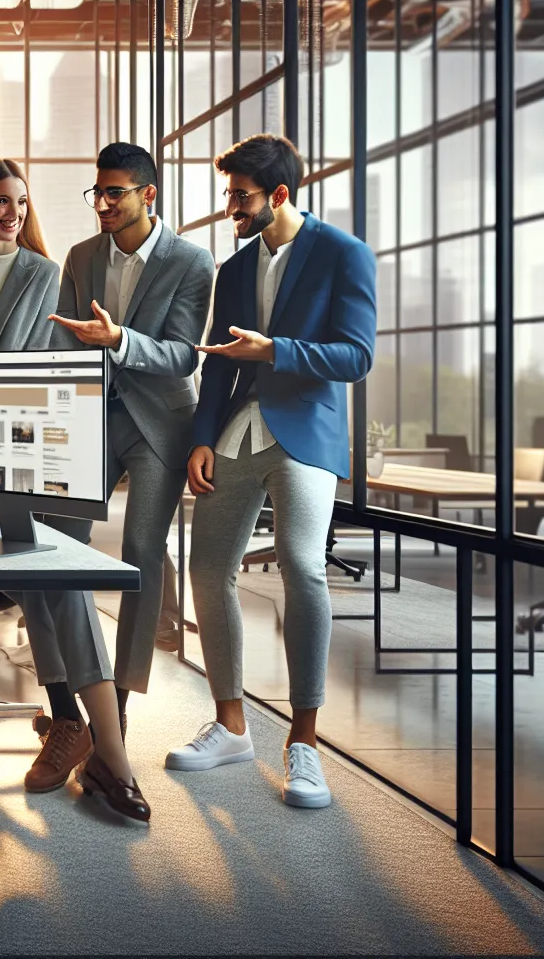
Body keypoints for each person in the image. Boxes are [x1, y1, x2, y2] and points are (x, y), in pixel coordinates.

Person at [168, 133, 376, 809]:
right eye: (229, 193)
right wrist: (202, 439)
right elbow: (219, 365)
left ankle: (305, 744)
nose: (230, 205)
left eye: (240, 195)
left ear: (278, 196)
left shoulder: (345, 255)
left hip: (305, 435)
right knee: (206, 569)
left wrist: (277, 349)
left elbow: (355, 356)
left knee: (301, 563)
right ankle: (231, 725)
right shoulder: (233, 271)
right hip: (236, 431)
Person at [0, 161, 143, 819]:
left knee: (50, 577)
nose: (13, 212)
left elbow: (35, 371)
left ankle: (84, 733)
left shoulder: (44, 273)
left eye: (21, 203)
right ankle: (19, 720)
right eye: (0, 201)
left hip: (25, 443)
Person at [47, 142, 215, 734]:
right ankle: (66, 695)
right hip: (91, 415)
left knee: (142, 552)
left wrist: (119, 340)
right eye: (98, 193)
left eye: (115, 193)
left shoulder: (191, 261)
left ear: (148, 194)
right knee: (55, 546)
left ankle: (118, 698)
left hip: (158, 420)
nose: (103, 204)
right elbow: (64, 344)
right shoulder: (81, 255)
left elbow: (180, 356)